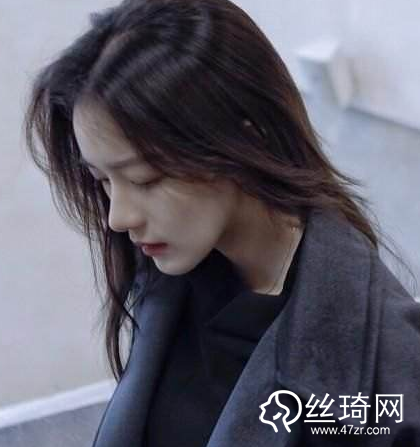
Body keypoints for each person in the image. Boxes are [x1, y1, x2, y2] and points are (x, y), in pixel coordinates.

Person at [24, 0, 420, 445]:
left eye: (144, 179)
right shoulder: (172, 275)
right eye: (103, 181)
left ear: (246, 138)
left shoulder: (387, 371)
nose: (119, 217)